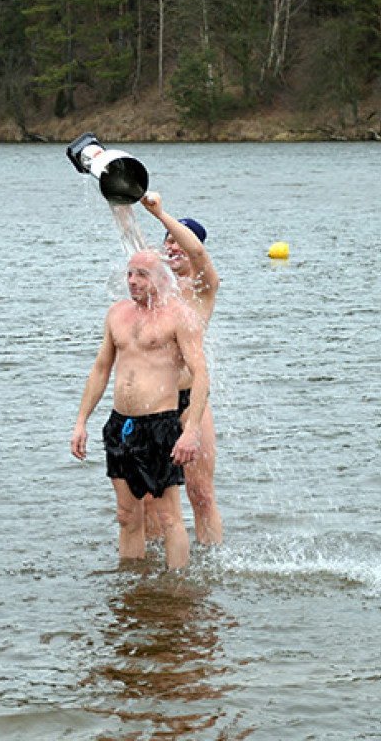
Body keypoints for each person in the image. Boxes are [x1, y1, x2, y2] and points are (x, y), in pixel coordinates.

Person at [71, 250, 210, 570]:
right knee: (126, 515)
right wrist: (81, 421)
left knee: (168, 516)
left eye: (142, 275)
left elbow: (201, 374)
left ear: (162, 278)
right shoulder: (116, 313)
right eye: (130, 273)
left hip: (160, 424)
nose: (132, 281)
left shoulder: (179, 316)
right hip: (120, 424)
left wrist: (191, 431)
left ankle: (177, 589)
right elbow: (101, 369)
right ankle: (131, 588)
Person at [140, 192, 223, 545]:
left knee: (200, 493)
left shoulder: (203, 287)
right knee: (149, 499)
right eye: (167, 242)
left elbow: (199, 254)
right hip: (153, 400)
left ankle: (212, 563)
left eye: (179, 240)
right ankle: (158, 570)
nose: (172, 246)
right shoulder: (153, 288)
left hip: (192, 401)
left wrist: (162, 215)